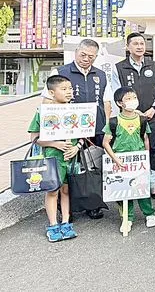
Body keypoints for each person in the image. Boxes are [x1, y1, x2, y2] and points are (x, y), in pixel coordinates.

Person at [46, 38, 112, 219]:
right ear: (76, 52)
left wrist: (106, 125)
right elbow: (47, 101)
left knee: (93, 168)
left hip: (96, 128)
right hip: (67, 129)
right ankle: (68, 209)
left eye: (91, 56)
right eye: (83, 55)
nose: (86, 59)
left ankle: (93, 204)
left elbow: (106, 102)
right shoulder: (60, 72)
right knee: (69, 169)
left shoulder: (101, 74)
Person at [113, 32, 155, 200]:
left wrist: (153, 108)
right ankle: (135, 184)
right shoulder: (119, 67)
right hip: (129, 118)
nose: (139, 46)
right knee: (133, 151)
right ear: (128, 47)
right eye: (135, 43)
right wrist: (133, 112)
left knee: (153, 149)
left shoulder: (154, 66)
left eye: (142, 43)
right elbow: (116, 93)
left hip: (153, 115)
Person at [28, 75, 81, 242]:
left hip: (70, 158)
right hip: (52, 159)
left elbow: (83, 136)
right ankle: (53, 225)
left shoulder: (77, 111)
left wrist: (76, 147)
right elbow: (35, 138)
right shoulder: (42, 112)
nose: (69, 92)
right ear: (51, 92)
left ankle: (66, 222)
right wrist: (55, 144)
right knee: (52, 191)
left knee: (66, 190)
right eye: (64, 89)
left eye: (70, 89)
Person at [102, 87, 155, 234]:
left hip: (138, 161)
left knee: (142, 188)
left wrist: (146, 158)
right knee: (123, 190)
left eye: (134, 97)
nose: (133, 101)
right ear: (120, 103)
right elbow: (106, 142)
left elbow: (145, 139)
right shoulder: (114, 122)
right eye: (128, 99)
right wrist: (115, 159)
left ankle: (149, 214)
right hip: (120, 161)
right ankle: (127, 217)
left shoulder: (142, 119)